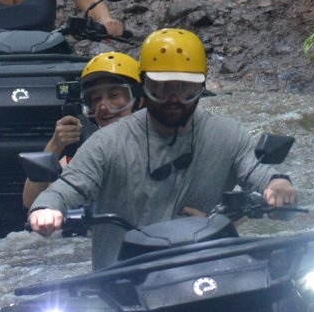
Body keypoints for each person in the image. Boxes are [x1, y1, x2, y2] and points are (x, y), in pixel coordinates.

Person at [27, 28, 298, 269]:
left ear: (201, 88)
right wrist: (47, 208)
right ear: (144, 87)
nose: (173, 99)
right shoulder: (105, 143)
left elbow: (257, 169)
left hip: (208, 267)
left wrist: (277, 184)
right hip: (125, 277)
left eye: (185, 89)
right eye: (162, 88)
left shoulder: (228, 134)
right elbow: (70, 187)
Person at [20, 51, 141, 208]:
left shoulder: (158, 140)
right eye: (96, 99)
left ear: (138, 98)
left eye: (114, 95)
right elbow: (31, 201)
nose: (103, 107)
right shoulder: (85, 147)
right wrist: (55, 146)